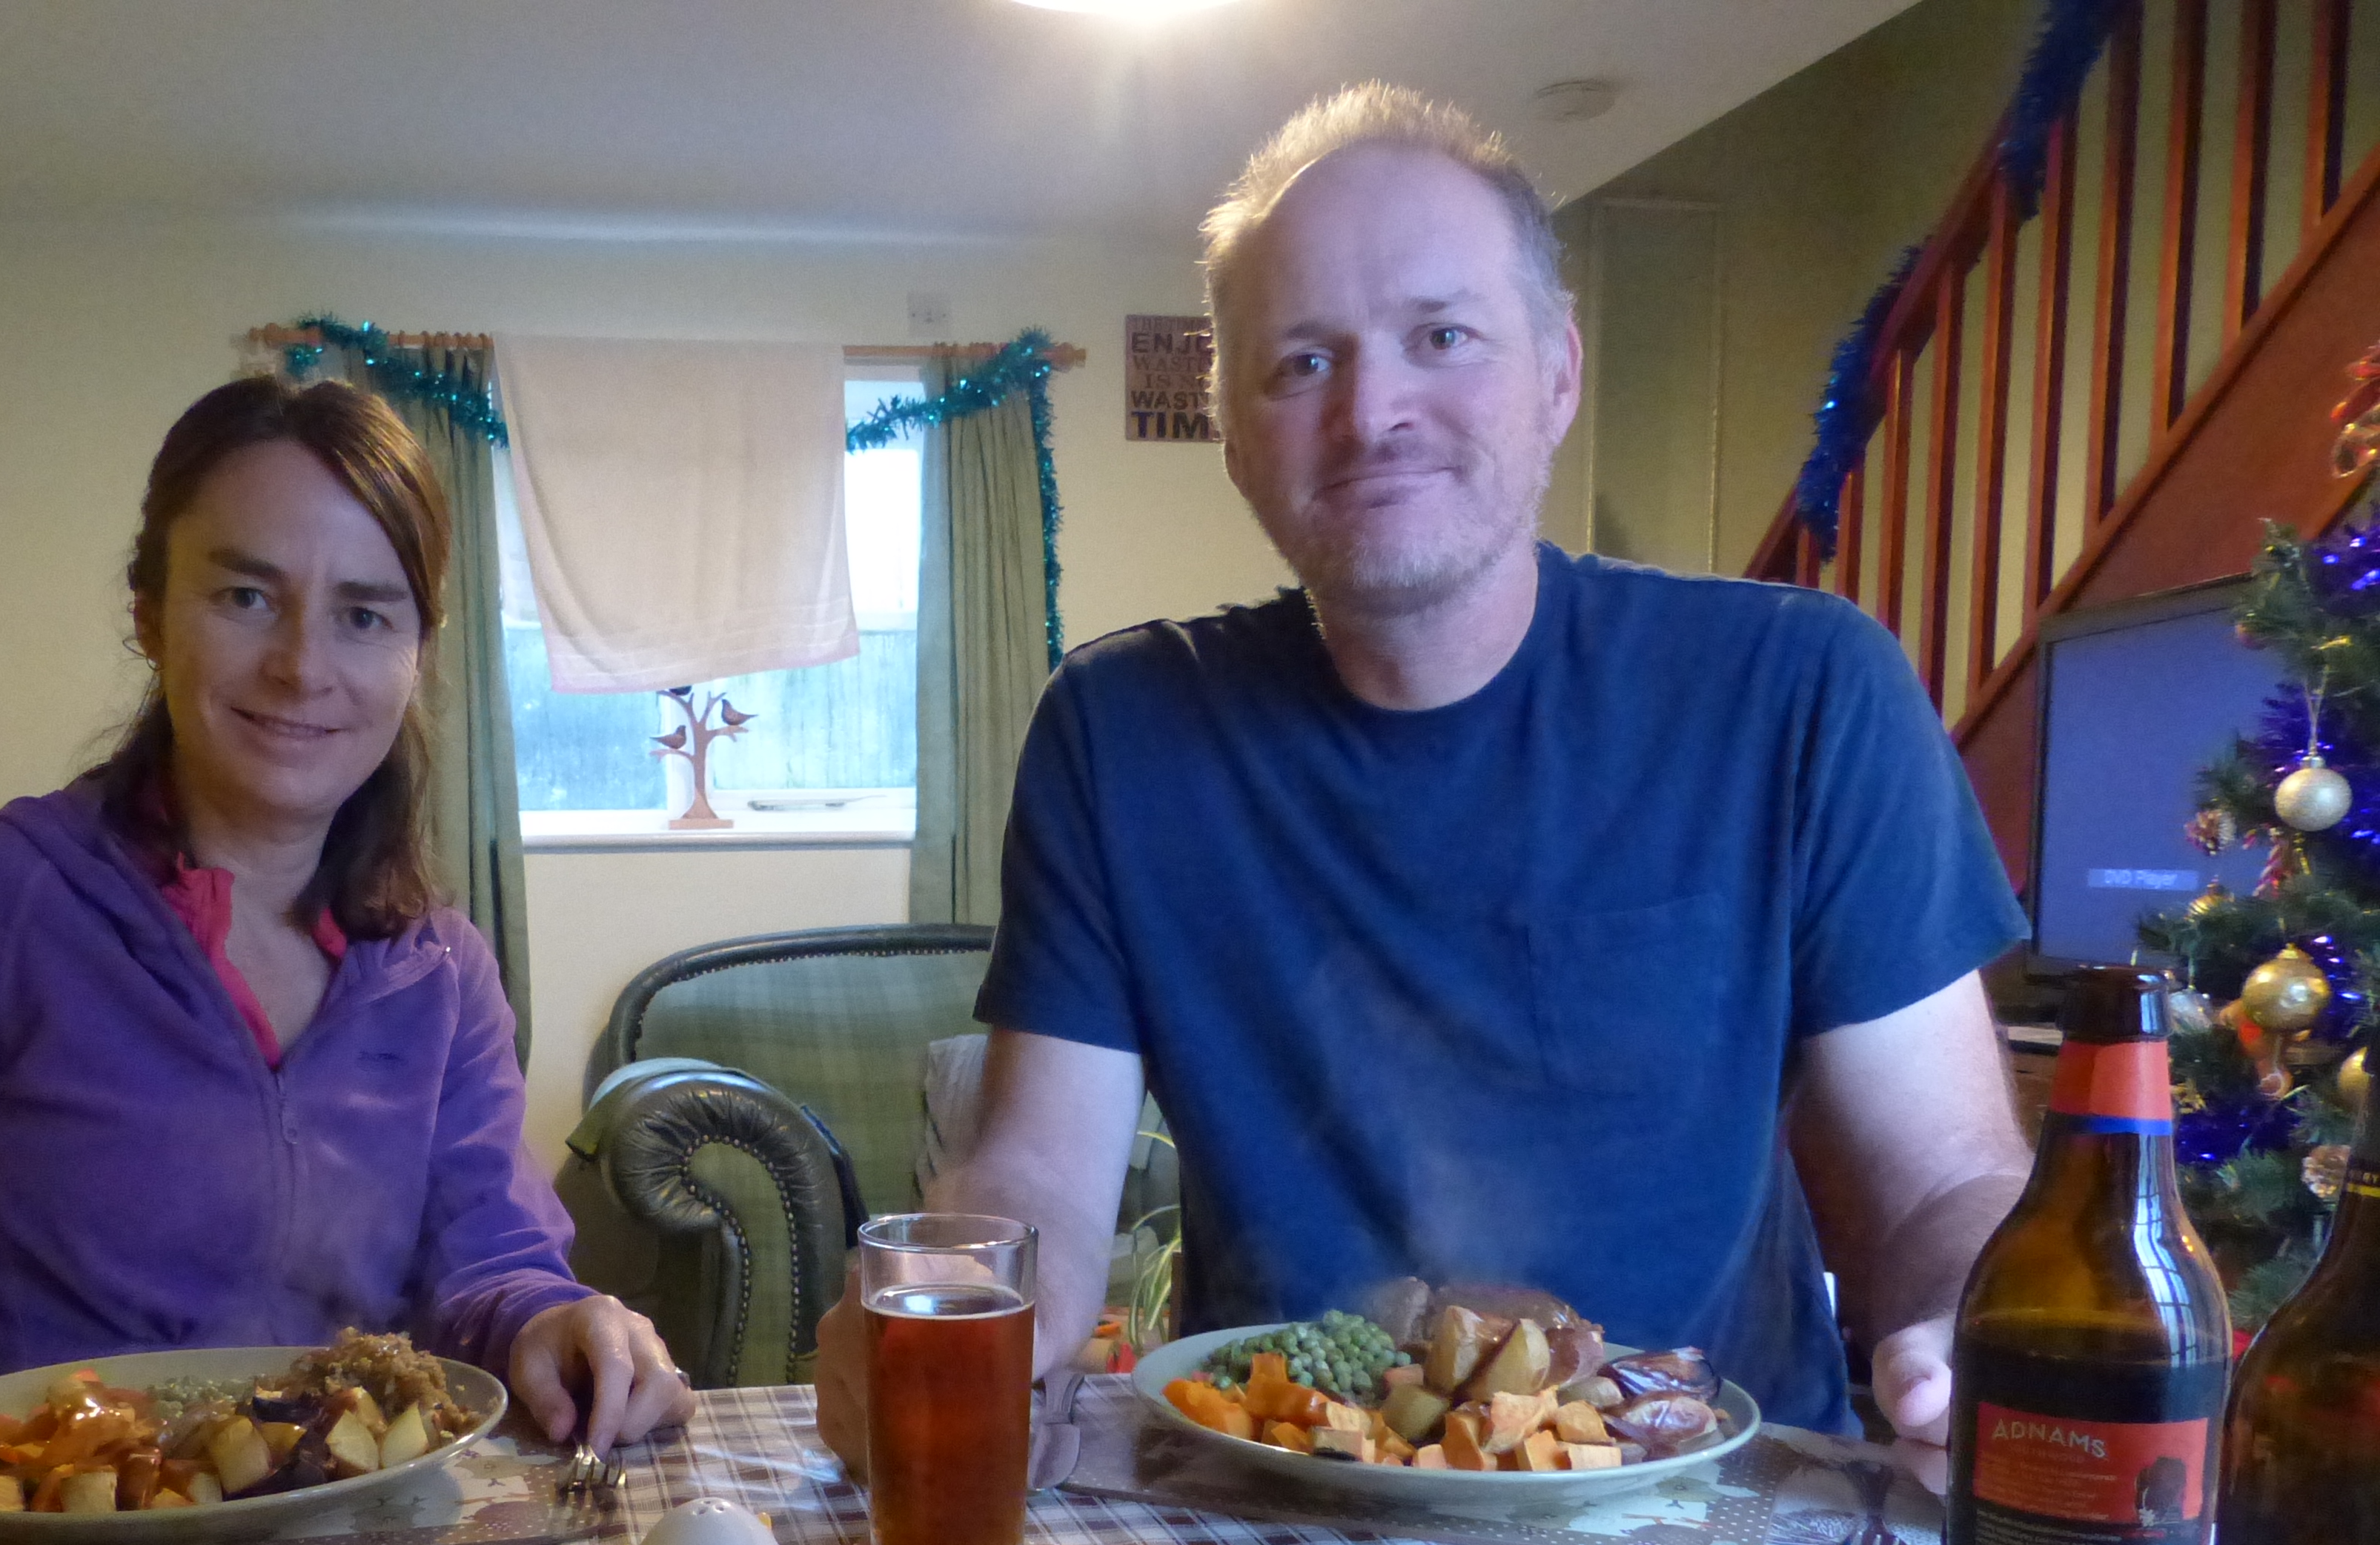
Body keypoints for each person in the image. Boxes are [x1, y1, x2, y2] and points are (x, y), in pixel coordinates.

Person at [817, 84, 2031, 1472]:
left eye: (1441, 336)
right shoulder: (1121, 729)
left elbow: (1944, 1176)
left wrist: (1981, 1324)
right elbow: (1040, 1169)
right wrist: (960, 1299)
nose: (1372, 411)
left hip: (1721, 1520)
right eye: (1302, 363)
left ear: (1557, 374)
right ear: (1233, 434)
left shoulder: (1805, 691)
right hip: (1282, 1506)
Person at [0, 376, 690, 1517]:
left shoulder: (446, 970)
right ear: (150, 612)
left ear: (418, 651)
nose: (303, 665)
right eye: (246, 597)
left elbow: (492, 1263)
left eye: (365, 614)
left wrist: (553, 1319)